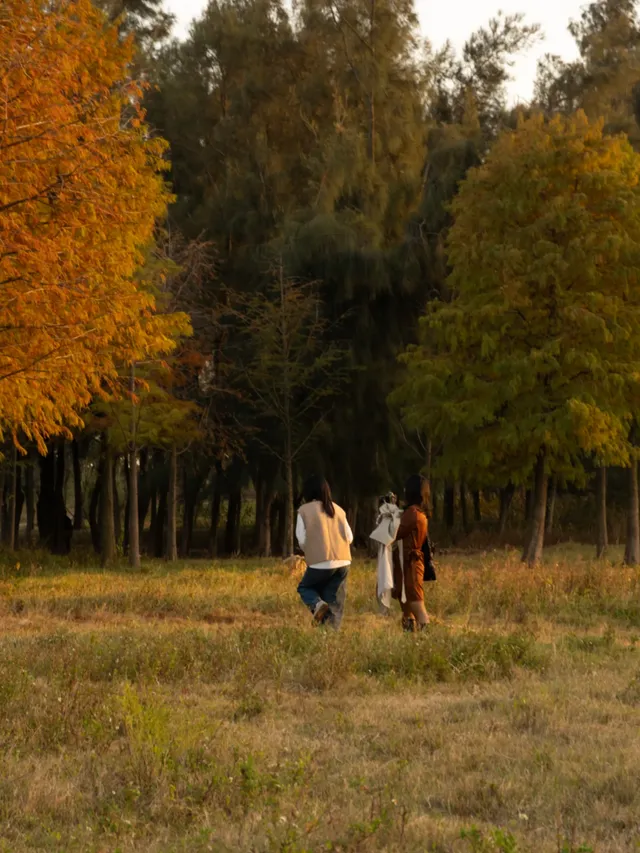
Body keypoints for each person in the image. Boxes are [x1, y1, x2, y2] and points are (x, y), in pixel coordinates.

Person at [296, 476, 353, 629]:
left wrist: (314, 549)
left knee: (305, 588)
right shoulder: (338, 509)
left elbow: (301, 540)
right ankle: (330, 635)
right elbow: (350, 537)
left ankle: (317, 604)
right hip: (344, 561)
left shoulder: (304, 511)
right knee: (333, 600)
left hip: (320, 562)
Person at [393, 474, 431, 632]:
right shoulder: (418, 512)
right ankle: (411, 640)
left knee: (416, 602)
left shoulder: (413, 513)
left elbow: (395, 532)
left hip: (411, 563)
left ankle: (425, 638)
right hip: (409, 563)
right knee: (407, 605)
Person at [370, 492, 402, 615]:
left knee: (393, 577)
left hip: (396, 551)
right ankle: (384, 609)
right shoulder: (384, 515)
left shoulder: (395, 514)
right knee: (384, 576)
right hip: (387, 550)